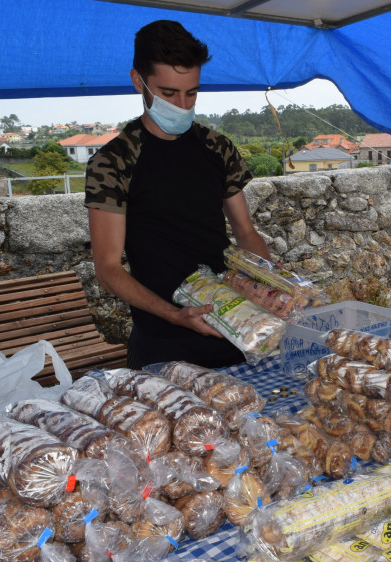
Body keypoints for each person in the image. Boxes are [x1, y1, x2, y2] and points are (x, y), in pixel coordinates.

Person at [85, 19, 271, 370]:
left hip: (232, 328)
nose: (183, 104)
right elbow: (108, 269)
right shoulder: (114, 161)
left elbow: (246, 233)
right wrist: (174, 314)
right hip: (162, 341)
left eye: (192, 92)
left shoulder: (217, 147)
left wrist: (274, 287)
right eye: (169, 93)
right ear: (138, 81)